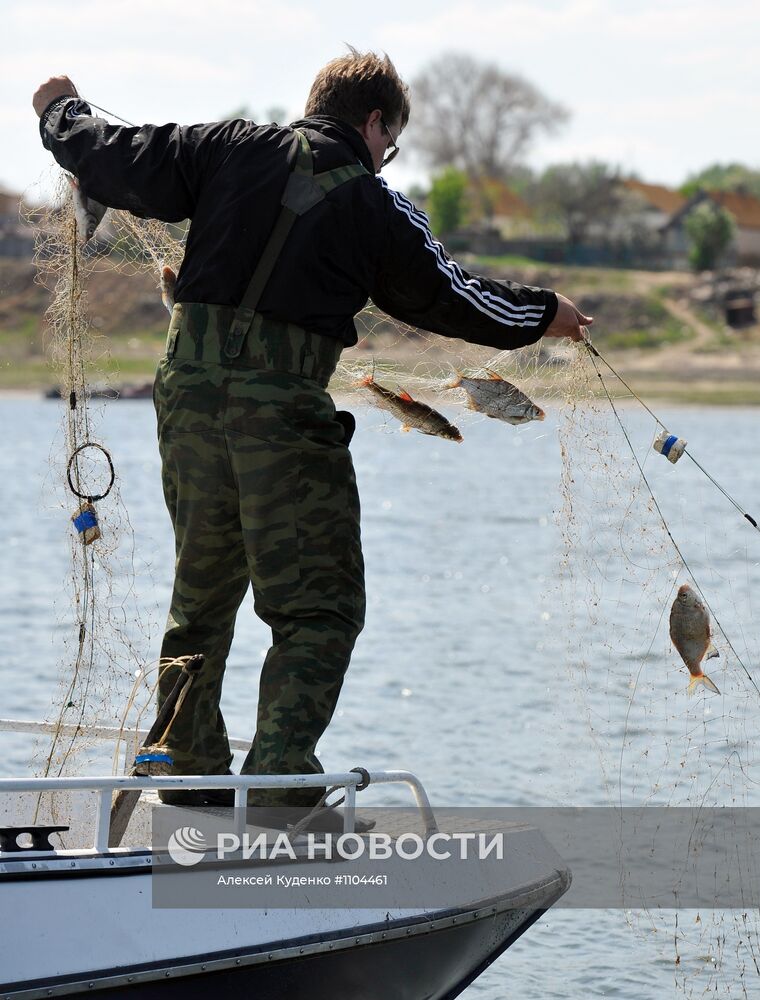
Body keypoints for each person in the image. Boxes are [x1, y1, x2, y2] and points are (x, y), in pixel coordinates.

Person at [33, 50, 592, 820]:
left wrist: (59, 110)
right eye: (388, 145)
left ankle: (189, 775)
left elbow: (111, 155)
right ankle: (281, 785)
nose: (384, 158)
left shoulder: (225, 145)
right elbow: (451, 299)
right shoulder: (374, 204)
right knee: (318, 606)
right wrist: (543, 312)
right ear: (373, 123)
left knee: (203, 593)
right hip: (280, 410)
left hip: (186, 395)